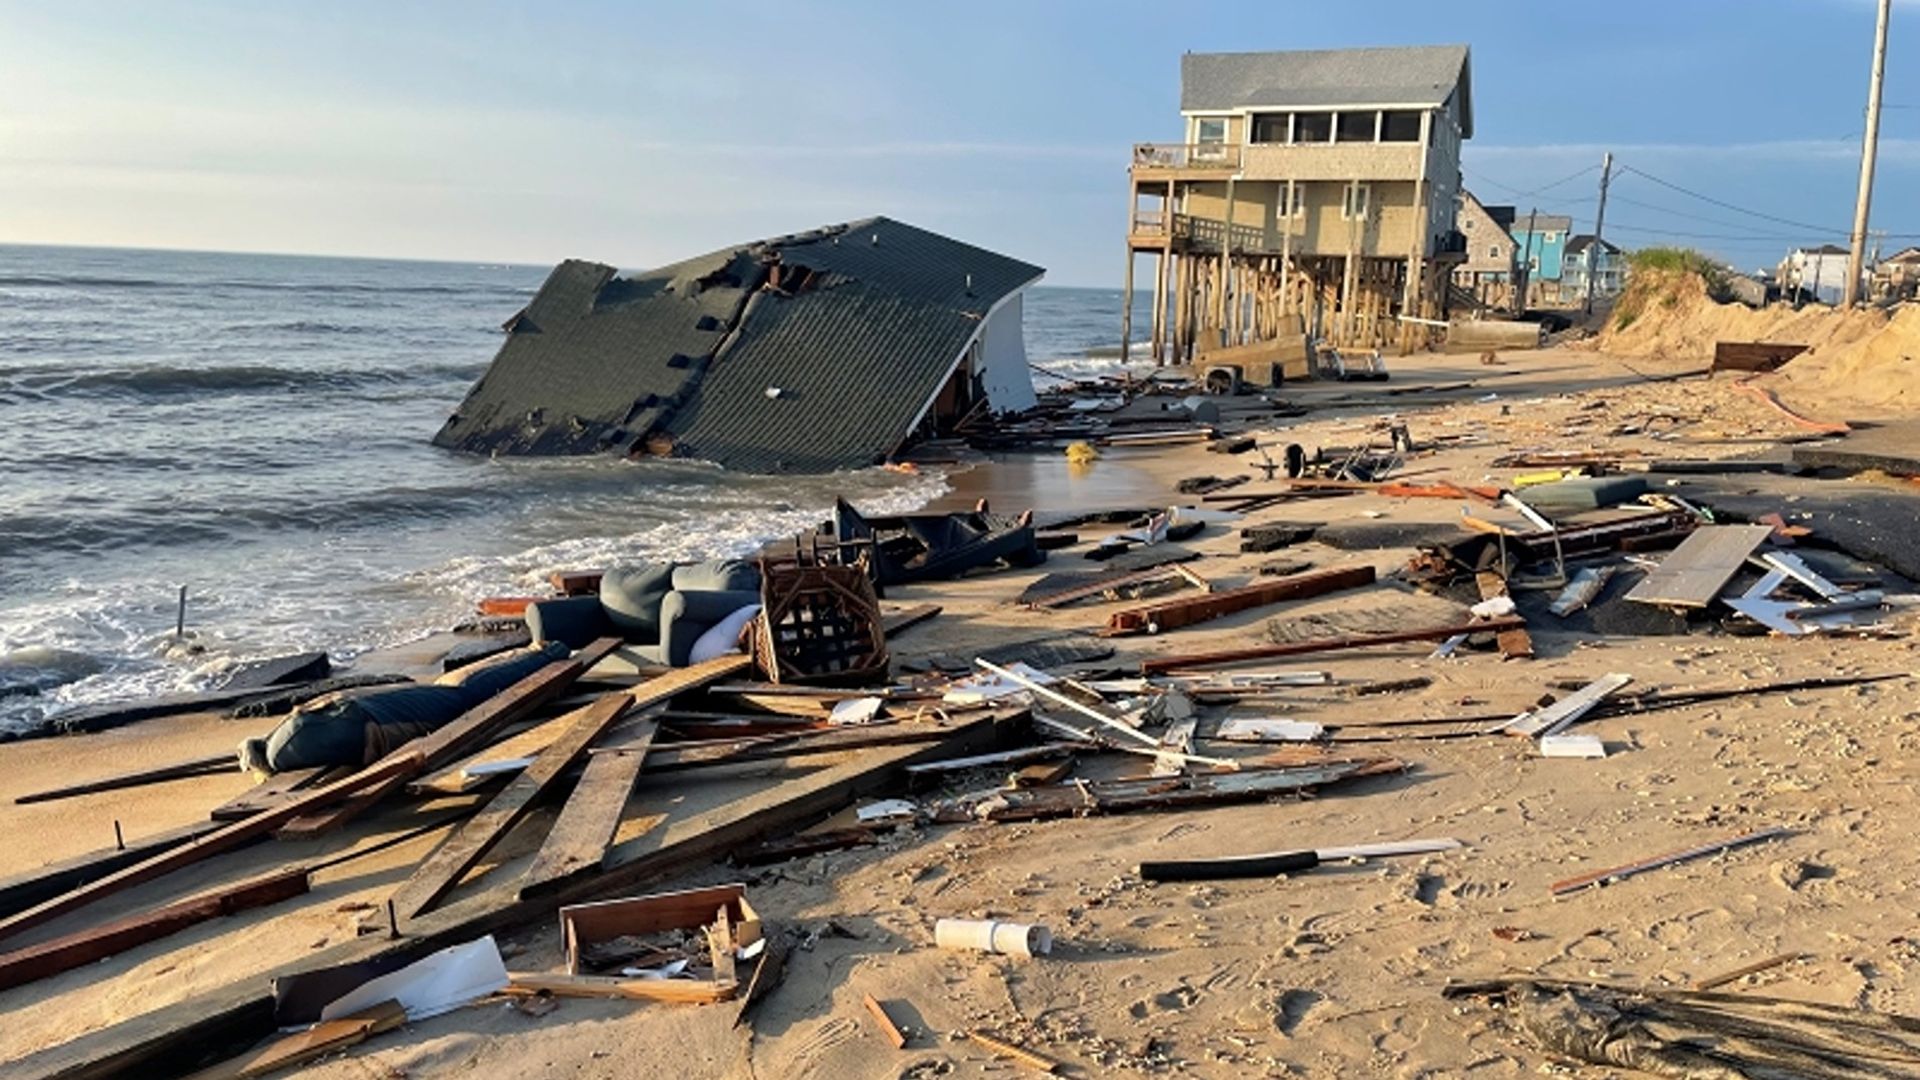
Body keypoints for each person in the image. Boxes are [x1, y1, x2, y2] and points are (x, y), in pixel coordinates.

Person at [237, 641, 570, 778]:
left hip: (368, 717)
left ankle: (545, 652)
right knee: (459, 693)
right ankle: (548, 651)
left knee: (460, 695)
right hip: (366, 710)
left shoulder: (288, 749)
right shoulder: (285, 736)